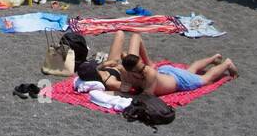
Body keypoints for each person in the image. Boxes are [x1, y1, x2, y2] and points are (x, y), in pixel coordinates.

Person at [102, 30, 237, 95]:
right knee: (190, 71)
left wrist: (123, 92)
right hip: (168, 74)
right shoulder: (128, 70)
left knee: (205, 80)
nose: (144, 69)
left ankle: (226, 63)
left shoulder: (148, 73)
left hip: (176, 80)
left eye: (144, 66)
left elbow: (147, 96)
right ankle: (214, 58)